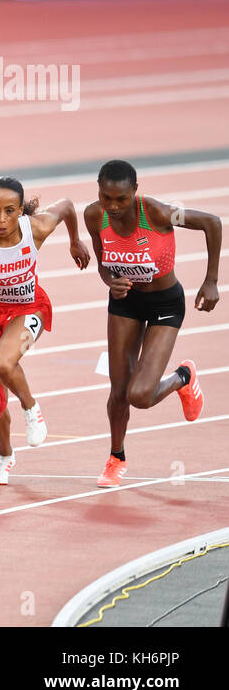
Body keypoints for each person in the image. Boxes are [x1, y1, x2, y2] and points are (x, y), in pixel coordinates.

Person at [84, 159, 220, 487]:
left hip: (164, 304)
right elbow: (104, 264)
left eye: (121, 199)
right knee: (118, 391)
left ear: (135, 192)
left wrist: (211, 280)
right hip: (125, 303)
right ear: (99, 193)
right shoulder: (93, 215)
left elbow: (212, 222)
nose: (113, 206)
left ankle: (183, 378)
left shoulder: (157, 213)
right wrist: (110, 281)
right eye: (106, 197)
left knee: (140, 395)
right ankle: (116, 457)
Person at [0, 176, 90, 485]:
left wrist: (74, 240)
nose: (1, 219)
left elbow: (65, 206)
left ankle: (32, 409)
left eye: (10, 211)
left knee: (4, 362)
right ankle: (5, 456)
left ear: (21, 211)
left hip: (29, 308)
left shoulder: (35, 228)